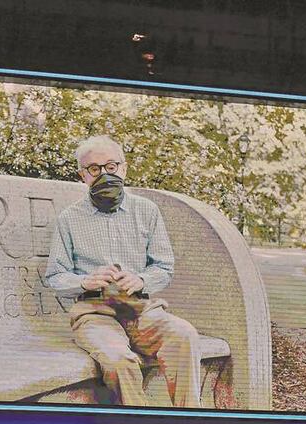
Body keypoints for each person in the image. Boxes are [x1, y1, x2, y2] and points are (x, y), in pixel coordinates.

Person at [45, 134, 202, 408]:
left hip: (141, 310)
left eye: (111, 167)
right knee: (121, 360)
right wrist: (85, 281)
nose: (104, 174)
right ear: (83, 175)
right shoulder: (69, 219)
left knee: (184, 335)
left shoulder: (147, 211)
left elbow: (164, 266)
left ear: (124, 168)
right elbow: (55, 276)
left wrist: (141, 279)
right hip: (94, 314)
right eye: (94, 169)